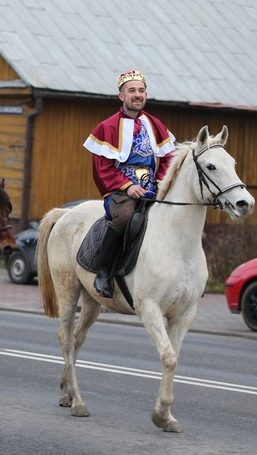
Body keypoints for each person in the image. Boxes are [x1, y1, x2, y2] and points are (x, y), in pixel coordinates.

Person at [82, 70, 175, 298]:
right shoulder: (107, 127)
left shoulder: (155, 124)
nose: (137, 95)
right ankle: (103, 272)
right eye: (132, 90)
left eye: (141, 91)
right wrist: (127, 187)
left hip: (152, 188)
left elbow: (168, 158)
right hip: (120, 191)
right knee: (124, 216)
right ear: (121, 96)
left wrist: (161, 183)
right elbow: (102, 168)